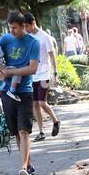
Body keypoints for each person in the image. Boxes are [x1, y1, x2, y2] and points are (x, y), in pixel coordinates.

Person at [0, 11, 40, 175]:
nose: (12, 31)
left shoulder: (33, 43)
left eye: (15, 28)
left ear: (24, 26)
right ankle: (28, 164)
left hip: (24, 91)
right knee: (16, 131)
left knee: (24, 130)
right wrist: (1, 73)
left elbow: (33, 68)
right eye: (10, 28)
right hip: (7, 91)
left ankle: (23, 167)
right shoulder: (4, 40)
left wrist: (12, 71)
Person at [23, 12, 60, 141]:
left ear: (33, 23)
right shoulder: (27, 37)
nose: (26, 29)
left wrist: (55, 74)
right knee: (34, 104)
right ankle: (41, 131)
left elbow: (52, 55)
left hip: (44, 73)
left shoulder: (45, 37)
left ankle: (55, 121)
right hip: (32, 74)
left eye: (27, 26)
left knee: (42, 102)